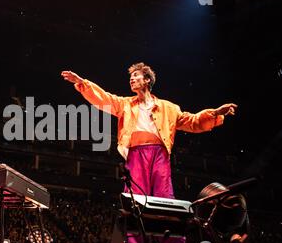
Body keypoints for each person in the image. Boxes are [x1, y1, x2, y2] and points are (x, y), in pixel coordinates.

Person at [61, 62, 237, 198]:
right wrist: (82, 83)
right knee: (136, 195)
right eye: (130, 77)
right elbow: (104, 98)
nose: (131, 79)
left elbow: (193, 122)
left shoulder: (169, 108)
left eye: (136, 75)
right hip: (136, 153)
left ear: (147, 80)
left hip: (160, 154)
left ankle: (166, 240)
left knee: (163, 193)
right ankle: (134, 239)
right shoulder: (125, 104)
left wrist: (215, 113)